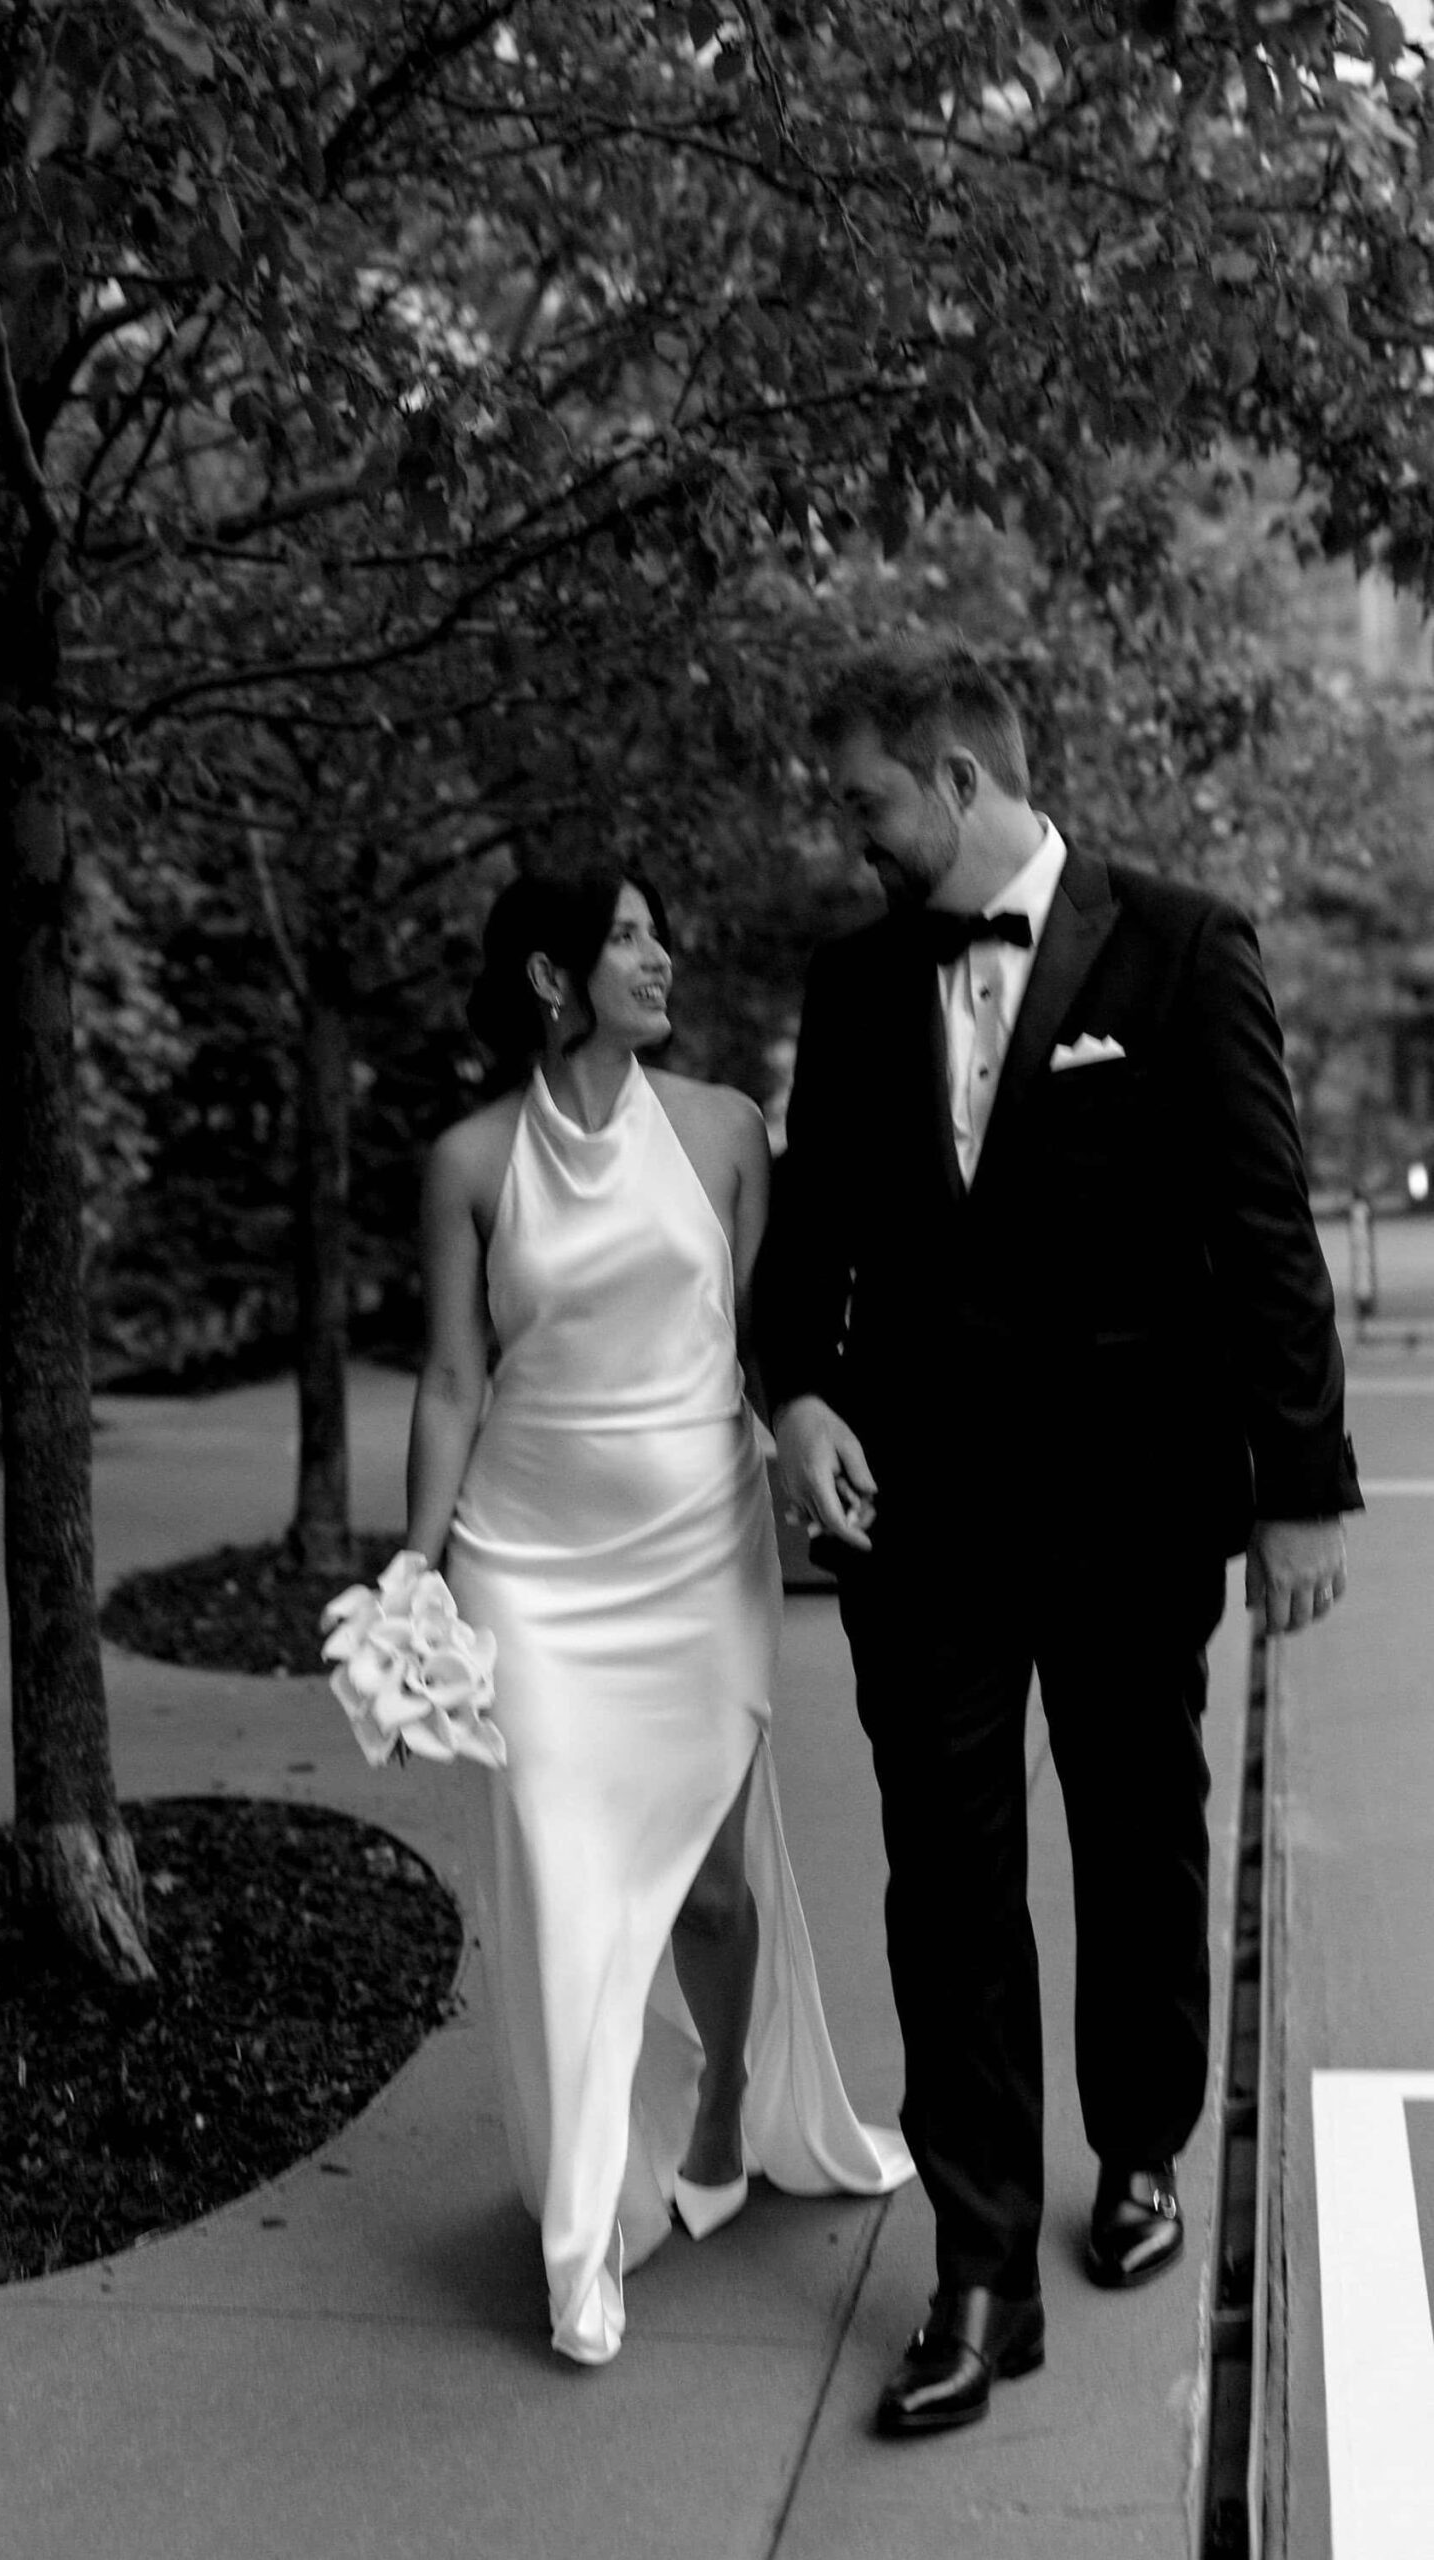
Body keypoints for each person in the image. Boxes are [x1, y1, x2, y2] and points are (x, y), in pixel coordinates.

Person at [754, 633, 1361, 2437]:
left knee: (1135, 1837)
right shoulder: (853, 984)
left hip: (1131, 1508)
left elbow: (1264, 1227)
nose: (850, 833)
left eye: (867, 801)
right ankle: (978, 2270)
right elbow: (808, 1248)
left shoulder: (1180, 946)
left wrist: (1303, 1481)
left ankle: (1146, 2145)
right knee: (944, 1884)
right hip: (921, 1521)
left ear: (956, 779)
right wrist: (793, 1396)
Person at [404, 863, 913, 2367]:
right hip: (527, 1566)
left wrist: (809, 1444)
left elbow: (761, 1345)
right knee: (565, 1891)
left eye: (658, 931)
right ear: (554, 978)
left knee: (709, 1895)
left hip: (695, 1548)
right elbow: (452, 1381)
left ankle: (722, 2121)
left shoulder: (726, 1132)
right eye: (626, 937)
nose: (661, 955)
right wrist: (415, 1575)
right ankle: (581, 2241)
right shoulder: (468, 1163)